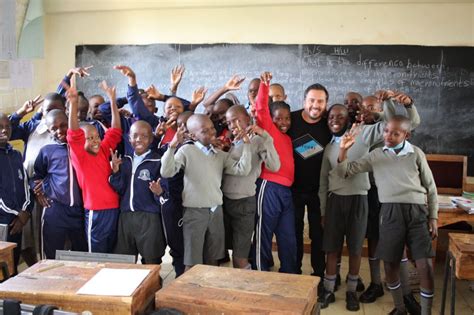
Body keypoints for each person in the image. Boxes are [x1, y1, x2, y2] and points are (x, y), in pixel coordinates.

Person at [336, 115, 438, 315]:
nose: (388, 136)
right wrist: (343, 150)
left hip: (417, 213)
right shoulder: (376, 155)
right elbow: (345, 171)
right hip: (390, 213)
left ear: (406, 135)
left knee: (424, 265)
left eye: (395, 133)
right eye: (386, 131)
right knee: (390, 264)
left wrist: (433, 216)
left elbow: (431, 187)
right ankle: (400, 308)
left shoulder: (416, 153)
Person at [160, 114, 252, 271]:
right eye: (205, 130)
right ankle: (190, 293)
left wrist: (247, 145)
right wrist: (172, 146)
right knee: (192, 260)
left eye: (212, 128)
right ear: (192, 135)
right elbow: (167, 172)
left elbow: (243, 170)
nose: (211, 132)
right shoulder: (186, 151)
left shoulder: (220, 155)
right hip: (194, 212)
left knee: (214, 259)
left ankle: (210, 292)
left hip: (216, 211)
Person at [66, 75, 122, 253]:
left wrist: (112, 101)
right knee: (96, 256)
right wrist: (74, 104)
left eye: (96, 137)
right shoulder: (80, 156)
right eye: (89, 139)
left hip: (114, 209)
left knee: (112, 252)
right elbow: (73, 133)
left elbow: (115, 131)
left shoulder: (104, 150)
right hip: (95, 212)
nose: (95, 141)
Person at [222, 105, 280, 269]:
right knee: (230, 251)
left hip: (243, 203)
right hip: (226, 202)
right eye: (229, 122)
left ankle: (245, 290)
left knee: (240, 257)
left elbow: (274, 166)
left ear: (247, 120)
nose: (232, 125)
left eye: (235, 120)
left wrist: (265, 136)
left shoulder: (256, 141)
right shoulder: (233, 142)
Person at [251, 71, 296, 273]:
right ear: (271, 119)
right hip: (268, 187)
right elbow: (261, 108)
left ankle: (290, 272)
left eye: (287, 118)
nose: (284, 122)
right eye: (279, 118)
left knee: (288, 235)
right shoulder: (269, 128)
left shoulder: (287, 138)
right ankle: (260, 272)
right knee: (264, 232)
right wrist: (264, 85)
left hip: (286, 191)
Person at [286, 83, 332, 280]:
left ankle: (319, 275)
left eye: (320, 101)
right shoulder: (291, 120)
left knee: (318, 235)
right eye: (312, 100)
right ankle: (295, 273)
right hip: (292, 189)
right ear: (304, 101)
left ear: (326, 103)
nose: (316, 105)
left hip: (319, 190)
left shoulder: (331, 122)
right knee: (293, 233)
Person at [31, 110, 87, 259]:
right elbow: (36, 177)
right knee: (51, 257)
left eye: (63, 125)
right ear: (49, 131)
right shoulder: (47, 151)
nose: (59, 131)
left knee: (81, 255)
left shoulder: (82, 146)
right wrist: (38, 191)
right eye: (53, 128)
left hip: (80, 211)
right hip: (55, 211)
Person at [109, 120, 166, 264]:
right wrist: (115, 173)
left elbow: (164, 193)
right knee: (125, 259)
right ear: (129, 139)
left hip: (149, 217)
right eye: (134, 136)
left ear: (151, 139)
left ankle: (153, 286)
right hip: (126, 216)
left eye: (144, 136)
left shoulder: (158, 161)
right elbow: (121, 189)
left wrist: (159, 192)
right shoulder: (125, 161)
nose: (139, 139)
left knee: (151, 259)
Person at [0, 113, 32, 272]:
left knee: (14, 259)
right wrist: (16, 213)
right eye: (0, 127)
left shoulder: (16, 155)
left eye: (8, 126)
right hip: (3, 221)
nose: (4, 131)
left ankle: (12, 296)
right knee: (2, 263)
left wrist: (25, 211)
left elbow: (25, 184)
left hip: (18, 220)